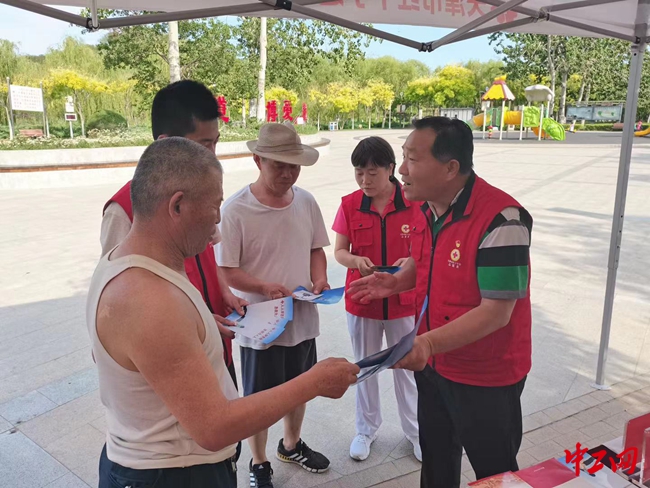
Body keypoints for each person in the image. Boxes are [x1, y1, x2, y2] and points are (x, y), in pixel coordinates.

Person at [90, 137, 359, 488]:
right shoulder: (148, 299)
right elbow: (214, 428)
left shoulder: (125, 265)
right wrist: (314, 382)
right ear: (177, 206)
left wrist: (197, 326)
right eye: (214, 206)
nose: (217, 225)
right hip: (172, 476)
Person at [348, 117, 533, 488]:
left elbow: (496, 312)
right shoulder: (426, 208)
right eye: (403, 157)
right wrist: (397, 281)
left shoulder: (502, 220)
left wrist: (427, 344)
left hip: (485, 376)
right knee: (436, 461)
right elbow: (428, 261)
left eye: (412, 159)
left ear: (450, 168)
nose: (401, 170)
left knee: (495, 473)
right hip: (434, 366)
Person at [100, 80, 245, 387]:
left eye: (216, 143)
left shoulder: (201, 194)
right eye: (203, 146)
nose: (213, 157)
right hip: (177, 364)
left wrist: (225, 293)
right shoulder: (123, 210)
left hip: (219, 348)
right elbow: (117, 303)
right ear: (165, 144)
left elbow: (211, 255)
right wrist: (192, 322)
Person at [217, 122, 331, 488]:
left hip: (302, 316)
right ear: (257, 160)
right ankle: (259, 461)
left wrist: (319, 279)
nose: (287, 174)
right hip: (262, 324)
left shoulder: (306, 202)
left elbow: (316, 249)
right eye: (278, 166)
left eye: (293, 166)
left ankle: (291, 444)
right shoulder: (236, 210)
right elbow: (227, 269)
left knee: (301, 386)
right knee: (259, 398)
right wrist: (262, 287)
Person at [332, 136, 421, 462]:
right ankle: (366, 430)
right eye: (359, 173)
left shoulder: (414, 203)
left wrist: (410, 262)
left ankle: (416, 431)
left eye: (372, 173)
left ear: (390, 169)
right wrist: (355, 261)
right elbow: (339, 251)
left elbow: (426, 249)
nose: (365, 181)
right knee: (365, 367)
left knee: (407, 368)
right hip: (363, 300)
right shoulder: (350, 204)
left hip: (402, 301)